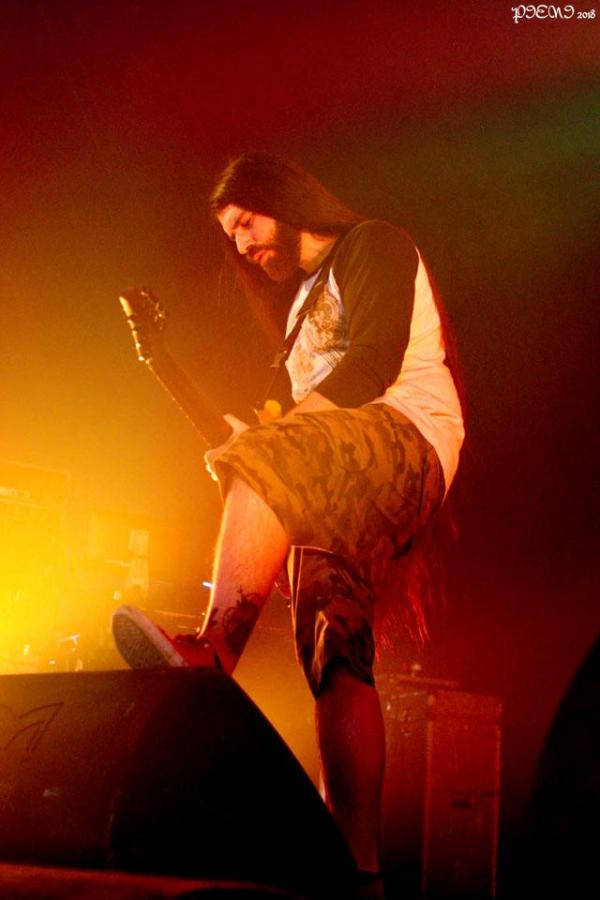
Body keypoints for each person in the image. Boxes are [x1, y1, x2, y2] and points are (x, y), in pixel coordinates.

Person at [112, 151, 464, 895]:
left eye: (246, 222)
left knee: (271, 456)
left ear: (280, 198)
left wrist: (274, 445)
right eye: (230, 236)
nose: (241, 245)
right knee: (336, 651)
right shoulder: (299, 317)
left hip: (410, 438)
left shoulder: (375, 244)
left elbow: (371, 363)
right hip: (337, 469)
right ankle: (357, 871)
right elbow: (251, 443)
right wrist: (160, 363)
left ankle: (213, 651)